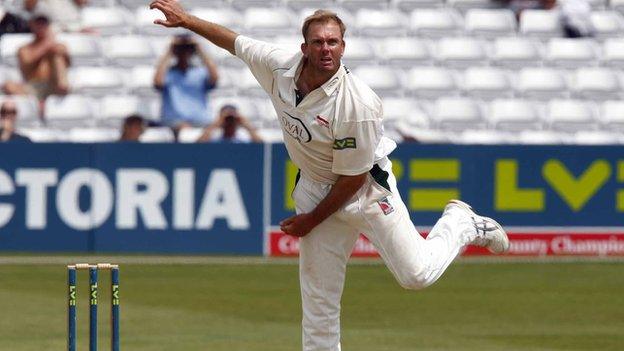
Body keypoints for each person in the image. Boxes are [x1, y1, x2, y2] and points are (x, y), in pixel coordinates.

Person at [150, 2, 510, 350]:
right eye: (319, 42)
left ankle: (461, 223)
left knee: (415, 275)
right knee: (319, 303)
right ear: (304, 48)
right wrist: (186, 20)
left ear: (343, 47)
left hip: (365, 191)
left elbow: (351, 180)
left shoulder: (358, 104)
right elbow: (235, 42)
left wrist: (310, 220)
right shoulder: (280, 66)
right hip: (313, 185)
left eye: (333, 42)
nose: (326, 49)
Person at [154, 33, 219, 138]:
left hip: (200, 123)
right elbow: (157, 83)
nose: (184, 52)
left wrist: (198, 48)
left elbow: (214, 79)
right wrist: (170, 51)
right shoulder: (169, 73)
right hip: (173, 125)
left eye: (187, 49)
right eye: (180, 49)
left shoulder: (200, 72)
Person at [1, 14, 70, 112]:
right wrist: (47, 44)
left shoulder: (57, 46)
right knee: (8, 86)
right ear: (32, 25)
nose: (41, 27)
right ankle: (38, 105)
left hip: (53, 84)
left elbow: (68, 62)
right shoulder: (25, 49)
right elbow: (28, 63)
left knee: (57, 57)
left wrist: (54, 50)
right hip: (33, 86)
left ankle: (62, 87)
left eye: (44, 24)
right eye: (38, 24)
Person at [197, 104, 262, 143]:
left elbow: (262, 147)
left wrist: (245, 124)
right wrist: (216, 124)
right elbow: (197, 145)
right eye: (226, 119)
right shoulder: (214, 140)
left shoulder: (242, 141)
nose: (229, 121)